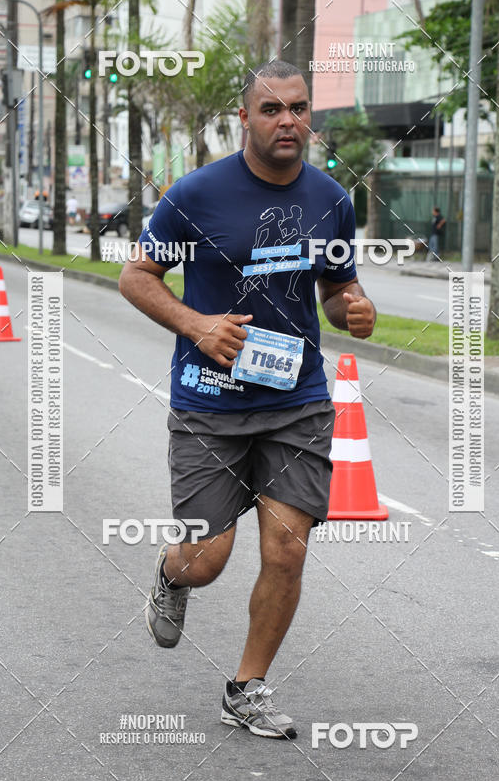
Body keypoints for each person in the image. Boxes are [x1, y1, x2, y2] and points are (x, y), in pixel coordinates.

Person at [119, 60, 377, 740]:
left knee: (287, 551)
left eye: (298, 108)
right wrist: (197, 325)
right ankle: (172, 575)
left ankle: (247, 688)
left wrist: (352, 305)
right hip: (210, 404)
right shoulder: (196, 195)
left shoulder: (331, 198)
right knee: (208, 559)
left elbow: (334, 285)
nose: (287, 120)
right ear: (245, 118)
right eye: (271, 109)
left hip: (299, 399)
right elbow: (136, 276)